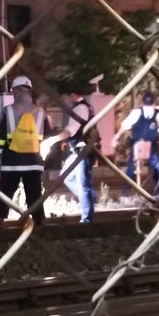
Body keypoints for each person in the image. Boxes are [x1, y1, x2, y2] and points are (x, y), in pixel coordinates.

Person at [0, 75, 56, 227]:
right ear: (29, 91)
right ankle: (39, 223)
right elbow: (47, 138)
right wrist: (45, 159)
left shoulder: (8, 111)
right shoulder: (41, 112)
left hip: (11, 161)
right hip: (34, 162)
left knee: (5, 192)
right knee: (34, 194)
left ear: (15, 91)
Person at [112, 91, 159, 191]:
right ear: (153, 102)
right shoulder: (154, 114)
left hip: (147, 144)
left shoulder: (144, 113)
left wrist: (116, 137)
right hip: (140, 144)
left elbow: (125, 125)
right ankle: (156, 191)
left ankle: (129, 191)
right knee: (150, 167)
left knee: (145, 167)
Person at [58, 93, 97, 224]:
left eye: (64, 96)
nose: (63, 99)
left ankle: (87, 219)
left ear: (72, 95)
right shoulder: (85, 107)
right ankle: (91, 197)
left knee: (82, 185)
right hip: (78, 151)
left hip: (82, 151)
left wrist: (51, 140)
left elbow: (71, 130)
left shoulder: (80, 108)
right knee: (66, 176)